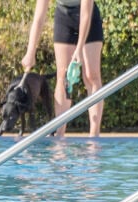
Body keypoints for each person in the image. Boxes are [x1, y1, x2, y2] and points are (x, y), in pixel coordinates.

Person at [22, 0, 103, 137]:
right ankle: (59, 133)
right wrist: (30, 52)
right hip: (64, 17)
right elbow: (38, 18)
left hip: (88, 17)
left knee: (91, 75)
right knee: (64, 77)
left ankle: (94, 135)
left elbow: (85, 14)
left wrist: (79, 48)